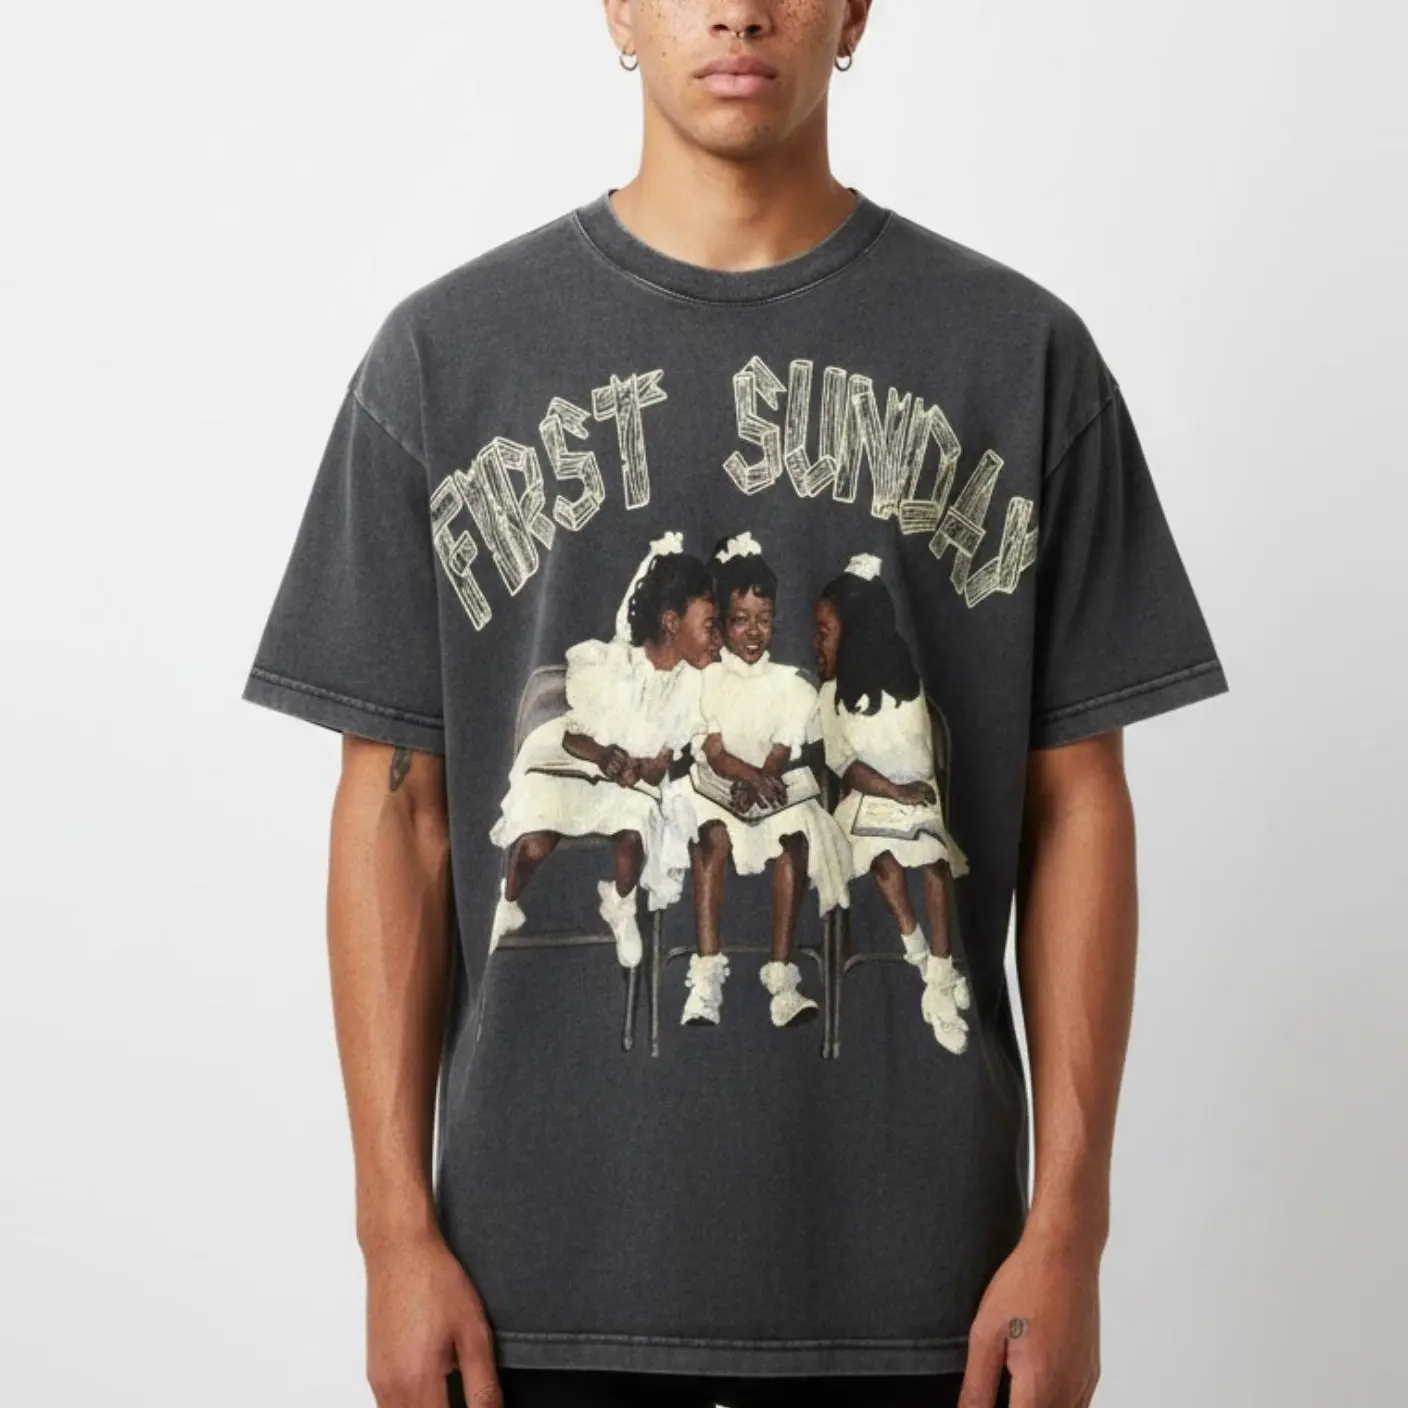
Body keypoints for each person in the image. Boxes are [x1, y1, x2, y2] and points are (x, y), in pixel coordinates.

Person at [240, 3, 1230, 1406]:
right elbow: (395, 816)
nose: (738, 8)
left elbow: (1078, 805)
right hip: (531, 1308)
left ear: (856, 11)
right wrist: (392, 1237)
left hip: (929, 1310)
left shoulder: (1020, 357)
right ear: (616, 9)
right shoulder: (444, 359)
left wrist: (1069, 1234)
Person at [488, 536, 719, 966]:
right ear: (672, 622)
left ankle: (619, 903)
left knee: (632, 834)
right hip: (571, 763)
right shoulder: (614, 666)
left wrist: (639, 768)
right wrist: (604, 756)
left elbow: (659, 766)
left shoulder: (690, 686)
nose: (717, 639)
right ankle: (508, 901)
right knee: (533, 845)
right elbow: (572, 739)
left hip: (624, 784)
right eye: (709, 626)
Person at [681, 531, 852, 1028]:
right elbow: (714, 753)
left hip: (766, 791)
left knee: (794, 841)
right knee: (710, 838)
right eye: (740, 620)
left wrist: (764, 777)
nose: (754, 632)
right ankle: (707, 980)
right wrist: (750, 777)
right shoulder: (707, 679)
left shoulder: (790, 684)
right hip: (718, 790)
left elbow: (782, 748)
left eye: (764, 619)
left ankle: (782, 979)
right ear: (722, 624)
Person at [814, 553, 973, 1052]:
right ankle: (917, 948)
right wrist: (893, 792)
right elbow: (847, 768)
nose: (818, 644)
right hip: (866, 802)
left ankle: (940, 977)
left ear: (859, 632)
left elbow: (924, 761)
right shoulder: (832, 697)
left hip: (917, 800)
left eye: (826, 632)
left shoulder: (909, 688)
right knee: (883, 859)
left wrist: (910, 795)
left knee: (933, 863)